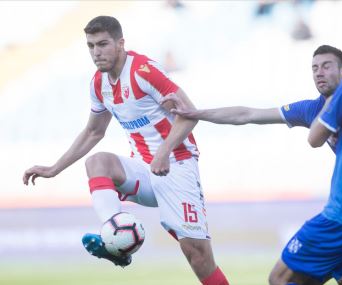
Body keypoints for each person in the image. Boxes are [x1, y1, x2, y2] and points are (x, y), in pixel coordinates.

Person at [162, 23, 342, 285]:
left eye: (326, 66)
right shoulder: (311, 109)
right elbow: (249, 114)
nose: (319, 73)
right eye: (314, 68)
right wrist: (197, 113)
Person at [22, 16, 229, 285]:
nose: (96, 52)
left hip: (176, 164)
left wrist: (164, 151)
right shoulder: (99, 84)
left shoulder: (144, 71)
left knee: (197, 255)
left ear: (120, 43)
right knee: (98, 163)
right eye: (91, 46)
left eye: (103, 44)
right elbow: (94, 131)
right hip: (144, 168)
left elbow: (190, 114)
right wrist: (53, 168)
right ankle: (114, 239)